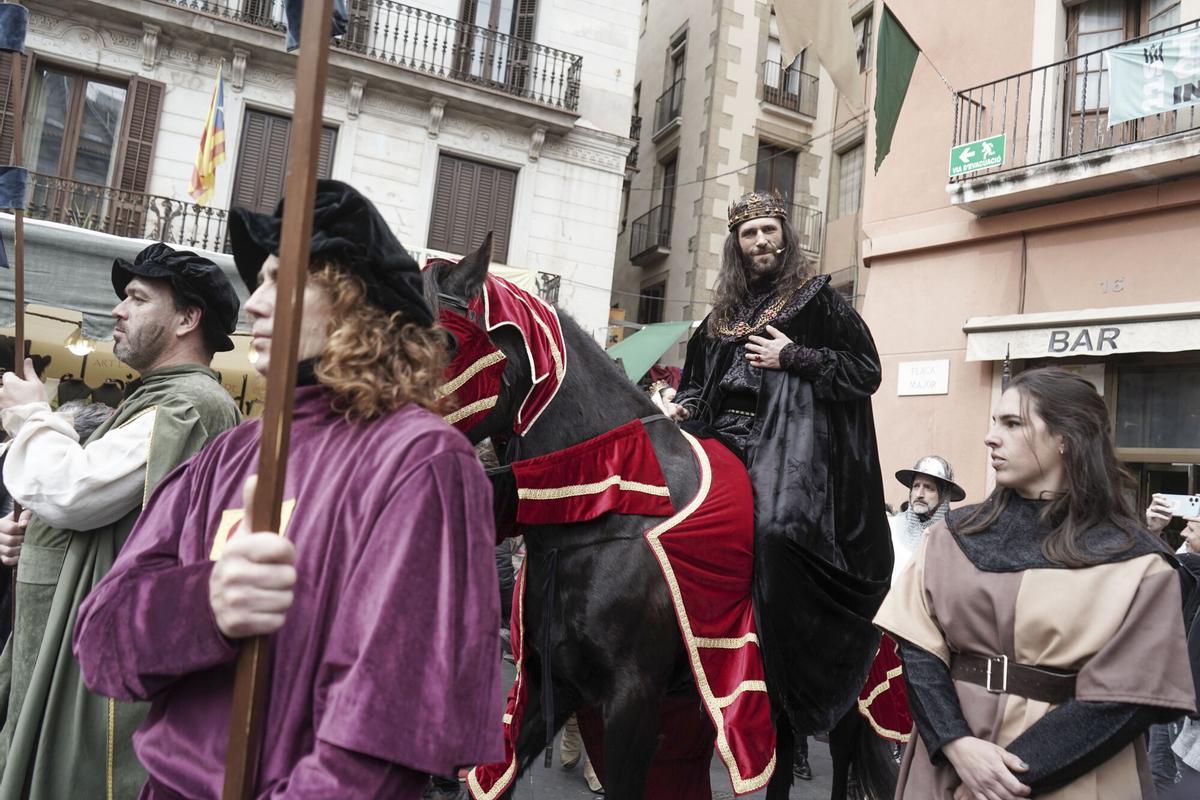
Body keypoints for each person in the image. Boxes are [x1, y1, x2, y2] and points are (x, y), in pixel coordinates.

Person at [73, 180, 505, 797]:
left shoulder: (423, 461)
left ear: (356, 309)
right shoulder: (228, 455)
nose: (254, 303)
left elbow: (378, 748)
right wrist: (207, 604)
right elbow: (100, 642)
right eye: (261, 281)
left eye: (283, 281)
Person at [875, 367, 1197, 799]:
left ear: (1067, 437)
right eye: (994, 422)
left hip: (1072, 771)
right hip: (951, 756)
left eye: (1012, 423)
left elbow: (1127, 696)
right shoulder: (950, 536)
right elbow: (919, 650)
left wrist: (1006, 778)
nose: (991, 437)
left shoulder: (1139, 562)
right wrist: (955, 742)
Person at [0, 243, 242, 799]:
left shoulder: (189, 403)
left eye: (137, 297)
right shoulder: (157, 397)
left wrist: (31, 414)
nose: (117, 309)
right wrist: (35, 539)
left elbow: (75, 491)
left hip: (100, 662)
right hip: (71, 637)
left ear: (187, 319)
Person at [661, 190, 892, 771]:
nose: (761, 240)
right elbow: (697, 387)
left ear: (785, 236)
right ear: (736, 246)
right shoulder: (716, 322)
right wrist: (682, 405)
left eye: (769, 229)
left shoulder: (819, 300)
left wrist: (795, 357)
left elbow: (866, 371)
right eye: (749, 233)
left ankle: (788, 682)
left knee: (775, 533)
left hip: (791, 449)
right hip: (720, 441)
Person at [889, 455, 966, 579]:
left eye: (929, 488)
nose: (919, 494)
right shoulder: (890, 527)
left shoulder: (955, 540)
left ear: (944, 495)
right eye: (916, 486)